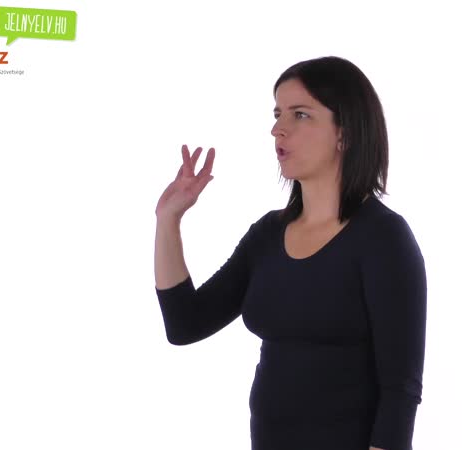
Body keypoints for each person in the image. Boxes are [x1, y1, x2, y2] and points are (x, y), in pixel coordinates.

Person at [153, 56, 427, 450]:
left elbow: (401, 390)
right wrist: (168, 220)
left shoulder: (384, 239)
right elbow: (185, 324)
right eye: (277, 114)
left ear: (345, 133)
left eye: (300, 114)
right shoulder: (268, 235)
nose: (277, 129)